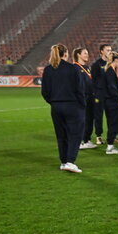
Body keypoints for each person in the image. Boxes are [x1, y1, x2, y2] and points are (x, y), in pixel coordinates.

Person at [40, 44, 85, 173]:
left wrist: (54, 102)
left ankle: (63, 161)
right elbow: (79, 89)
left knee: (61, 135)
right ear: (65, 54)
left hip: (56, 106)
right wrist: (82, 105)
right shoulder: (73, 69)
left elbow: (45, 91)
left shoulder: (48, 69)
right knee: (75, 134)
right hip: (72, 105)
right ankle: (70, 161)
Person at [90, 44, 112, 141]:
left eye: (110, 50)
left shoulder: (112, 64)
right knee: (98, 115)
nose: (109, 52)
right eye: (107, 50)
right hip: (100, 94)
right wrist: (95, 93)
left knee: (111, 116)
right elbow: (93, 80)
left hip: (110, 94)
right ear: (102, 51)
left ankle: (112, 135)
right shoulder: (96, 64)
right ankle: (99, 136)